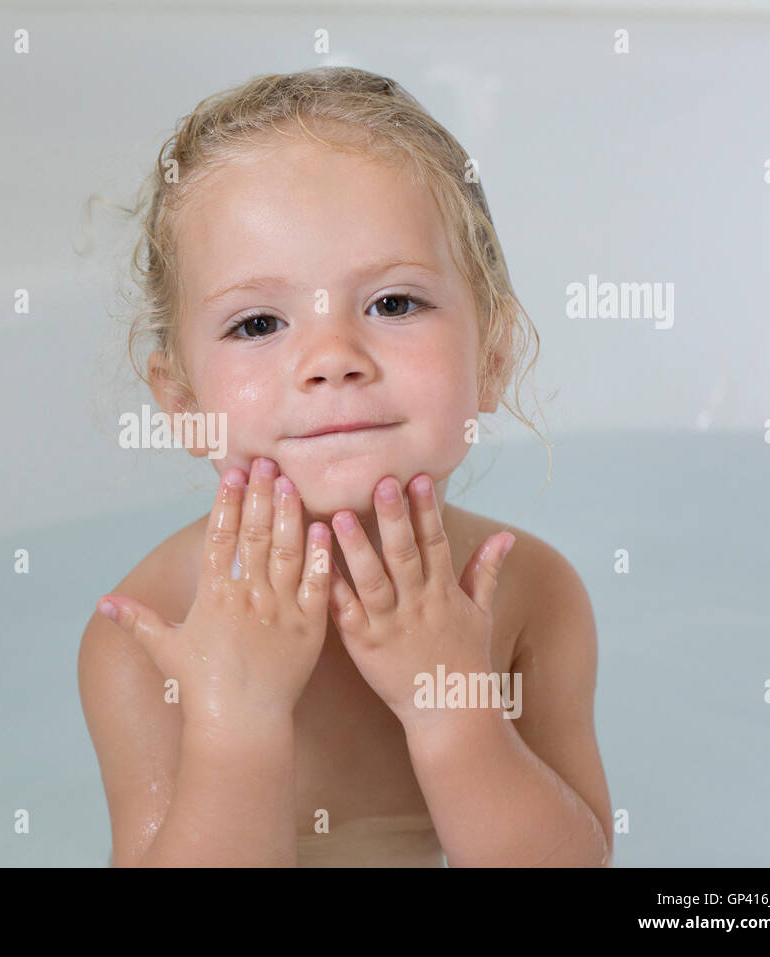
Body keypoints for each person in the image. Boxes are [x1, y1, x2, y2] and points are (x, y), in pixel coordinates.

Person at [78, 67, 612, 867]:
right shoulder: (152, 634)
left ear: (492, 359)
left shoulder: (529, 596)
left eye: (394, 304)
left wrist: (452, 710)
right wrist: (239, 721)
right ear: (183, 400)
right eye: (258, 321)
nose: (332, 358)